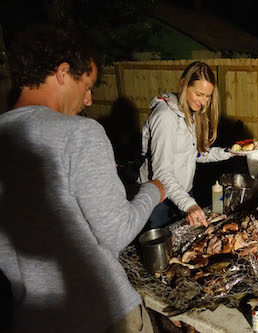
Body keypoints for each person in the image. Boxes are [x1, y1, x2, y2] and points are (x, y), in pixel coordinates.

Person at [0, 25, 166, 333]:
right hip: (101, 315)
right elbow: (117, 232)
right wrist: (152, 191)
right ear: (63, 73)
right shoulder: (78, 133)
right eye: (87, 85)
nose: (89, 100)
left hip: (31, 320)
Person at [138, 61, 233, 228]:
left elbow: (196, 154)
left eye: (208, 96)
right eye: (199, 94)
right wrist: (189, 205)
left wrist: (231, 152)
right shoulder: (166, 117)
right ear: (183, 84)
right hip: (159, 201)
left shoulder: (189, 113)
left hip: (180, 194)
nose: (204, 102)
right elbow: (162, 173)